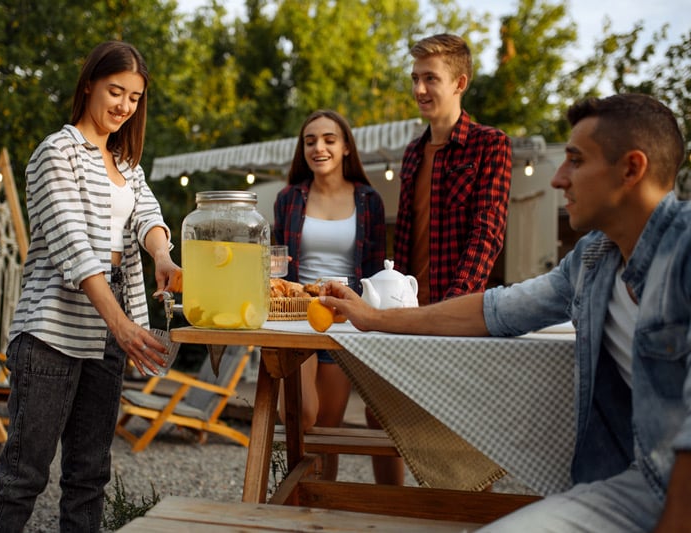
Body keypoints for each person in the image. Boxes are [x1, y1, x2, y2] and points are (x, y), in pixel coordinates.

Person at [319, 93, 689, 532]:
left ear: (631, 168)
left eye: (575, 160)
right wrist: (375, 318)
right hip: (639, 486)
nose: (558, 179)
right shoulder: (593, 260)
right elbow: (494, 309)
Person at [0, 41, 181, 532]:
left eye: (134, 98)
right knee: (24, 474)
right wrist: (124, 325)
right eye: (116, 91)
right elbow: (74, 247)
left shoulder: (125, 165)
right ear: (90, 82)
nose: (124, 106)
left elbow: (148, 217)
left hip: (106, 335)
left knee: (90, 475)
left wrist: (162, 255)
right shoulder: (57, 152)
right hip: (51, 330)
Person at [368, 33, 512, 485]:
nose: (419, 89)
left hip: (458, 311)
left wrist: (450, 311)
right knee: (381, 413)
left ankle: (464, 515)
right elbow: (407, 236)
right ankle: (392, 509)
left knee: (459, 427)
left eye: (431, 78)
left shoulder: (492, 145)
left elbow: (487, 234)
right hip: (407, 311)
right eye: (415, 78)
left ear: (460, 82)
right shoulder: (412, 153)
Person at [273, 109, 386, 480]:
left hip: (342, 318)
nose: (318, 147)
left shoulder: (369, 200)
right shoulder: (288, 198)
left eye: (328, 139)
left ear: (346, 148)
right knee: (302, 414)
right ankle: (302, 498)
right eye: (310, 141)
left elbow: (373, 272)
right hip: (296, 314)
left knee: (327, 429)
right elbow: (276, 262)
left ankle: (321, 509)